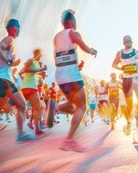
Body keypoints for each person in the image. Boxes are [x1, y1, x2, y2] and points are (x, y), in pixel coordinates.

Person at [53, 9, 98, 152]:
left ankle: (56, 108)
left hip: (60, 74)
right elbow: (82, 45)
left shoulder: (56, 37)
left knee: (73, 105)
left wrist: (75, 65)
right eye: (75, 21)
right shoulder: (73, 33)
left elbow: (59, 59)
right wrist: (91, 51)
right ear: (71, 22)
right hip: (71, 75)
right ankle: (69, 141)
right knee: (81, 107)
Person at [111, 35, 138, 134]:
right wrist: (121, 68)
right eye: (125, 41)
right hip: (126, 80)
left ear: (132, 42)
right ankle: (128, 123)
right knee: (130, 105)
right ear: (123, 43)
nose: (127, 42)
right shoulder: (120, 53)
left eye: (129, 40)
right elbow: (113, 64)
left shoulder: (137, 52)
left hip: (136, 79)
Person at [20, 49, 48, 136]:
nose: (40, 58)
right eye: (40, 55)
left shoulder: (34, 62)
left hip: (26, 86)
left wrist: (26, 81)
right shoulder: (31, 60)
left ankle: (27, 130)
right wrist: (41, 69)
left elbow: (22, 73)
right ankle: (37, 129)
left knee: (22, 108)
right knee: (37, 108)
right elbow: (24, 70)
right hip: (30, 87)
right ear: (38, 54)